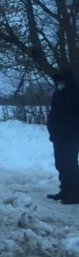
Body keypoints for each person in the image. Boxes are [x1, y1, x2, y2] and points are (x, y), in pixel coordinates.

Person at [46, 68, 79, 205]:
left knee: (70, 164)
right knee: (60, 164)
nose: (60, 83)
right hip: (58, 136)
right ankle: (65, 190)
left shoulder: (76, 94)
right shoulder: (57, 94)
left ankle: (75, 194)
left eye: (62, 80)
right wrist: (52, 131)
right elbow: (53, 115)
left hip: (71, 136)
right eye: (58, 80)